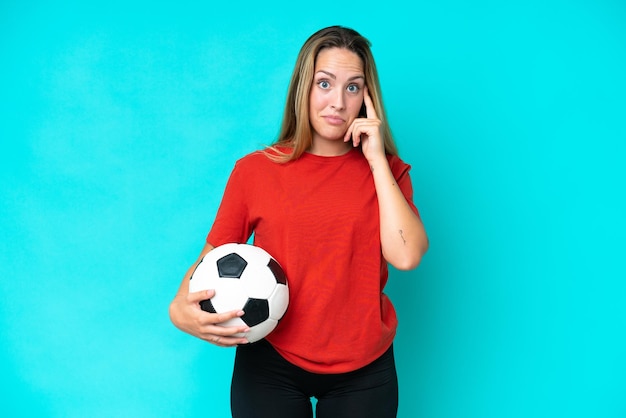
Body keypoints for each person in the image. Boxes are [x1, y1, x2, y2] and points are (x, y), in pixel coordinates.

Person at [169, 25, 429, 418]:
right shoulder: (255, 171)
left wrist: (377, 160)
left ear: (368, 99)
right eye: (325, 83)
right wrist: (178, 309)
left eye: (353, 87)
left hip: (364, 368)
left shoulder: (388, 172)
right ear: (303, 88)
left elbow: (406, 256)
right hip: (270, 362)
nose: (338, 102)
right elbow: (213, 259)